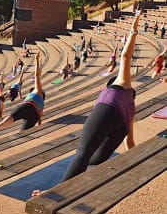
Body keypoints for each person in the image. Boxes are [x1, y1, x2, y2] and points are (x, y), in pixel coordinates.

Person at [33, 12, 141, 196]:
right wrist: (137, 162)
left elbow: (125, 57)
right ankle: (79, 188)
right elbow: (129, 141)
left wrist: (133, 31)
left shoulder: (121, 84)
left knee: (83, 152)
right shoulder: (130, 107)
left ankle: (54, 192)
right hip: (120, 126)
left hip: (107, 111)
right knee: (93, 162)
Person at [0, 51, 45, 132]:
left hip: (27, 106)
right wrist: (39, 124)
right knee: (23, 131)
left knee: (12, 116)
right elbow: (40, 116)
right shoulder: (42, 104)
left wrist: (36, 60)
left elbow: (36, 75)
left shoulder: (37, 91)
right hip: (35, 115)